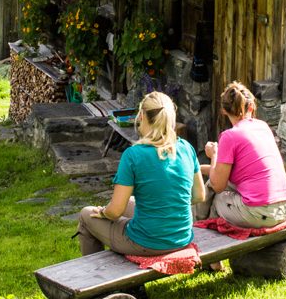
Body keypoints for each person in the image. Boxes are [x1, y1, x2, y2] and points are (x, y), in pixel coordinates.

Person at [77, 91, 206, 256]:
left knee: (87, 215)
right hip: (182, 237)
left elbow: (115, 211)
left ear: (142, 117)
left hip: (146, 243)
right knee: (131, 202)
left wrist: (103, 212)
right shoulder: (187, 148)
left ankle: (96, 278)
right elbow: (199, 196)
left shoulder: (133, 155)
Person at [197, 80, 286, 228]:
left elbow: (218, 185)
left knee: (218, 197)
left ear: (223, 110)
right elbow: (227, 175)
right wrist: (196, 169)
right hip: (285, 207)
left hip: (259, 212)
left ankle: (201, 230)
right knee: (219, 185)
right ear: (252, 106)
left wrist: (214, 154)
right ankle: (197, 223)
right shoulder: (263, 127)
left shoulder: (229, 136)